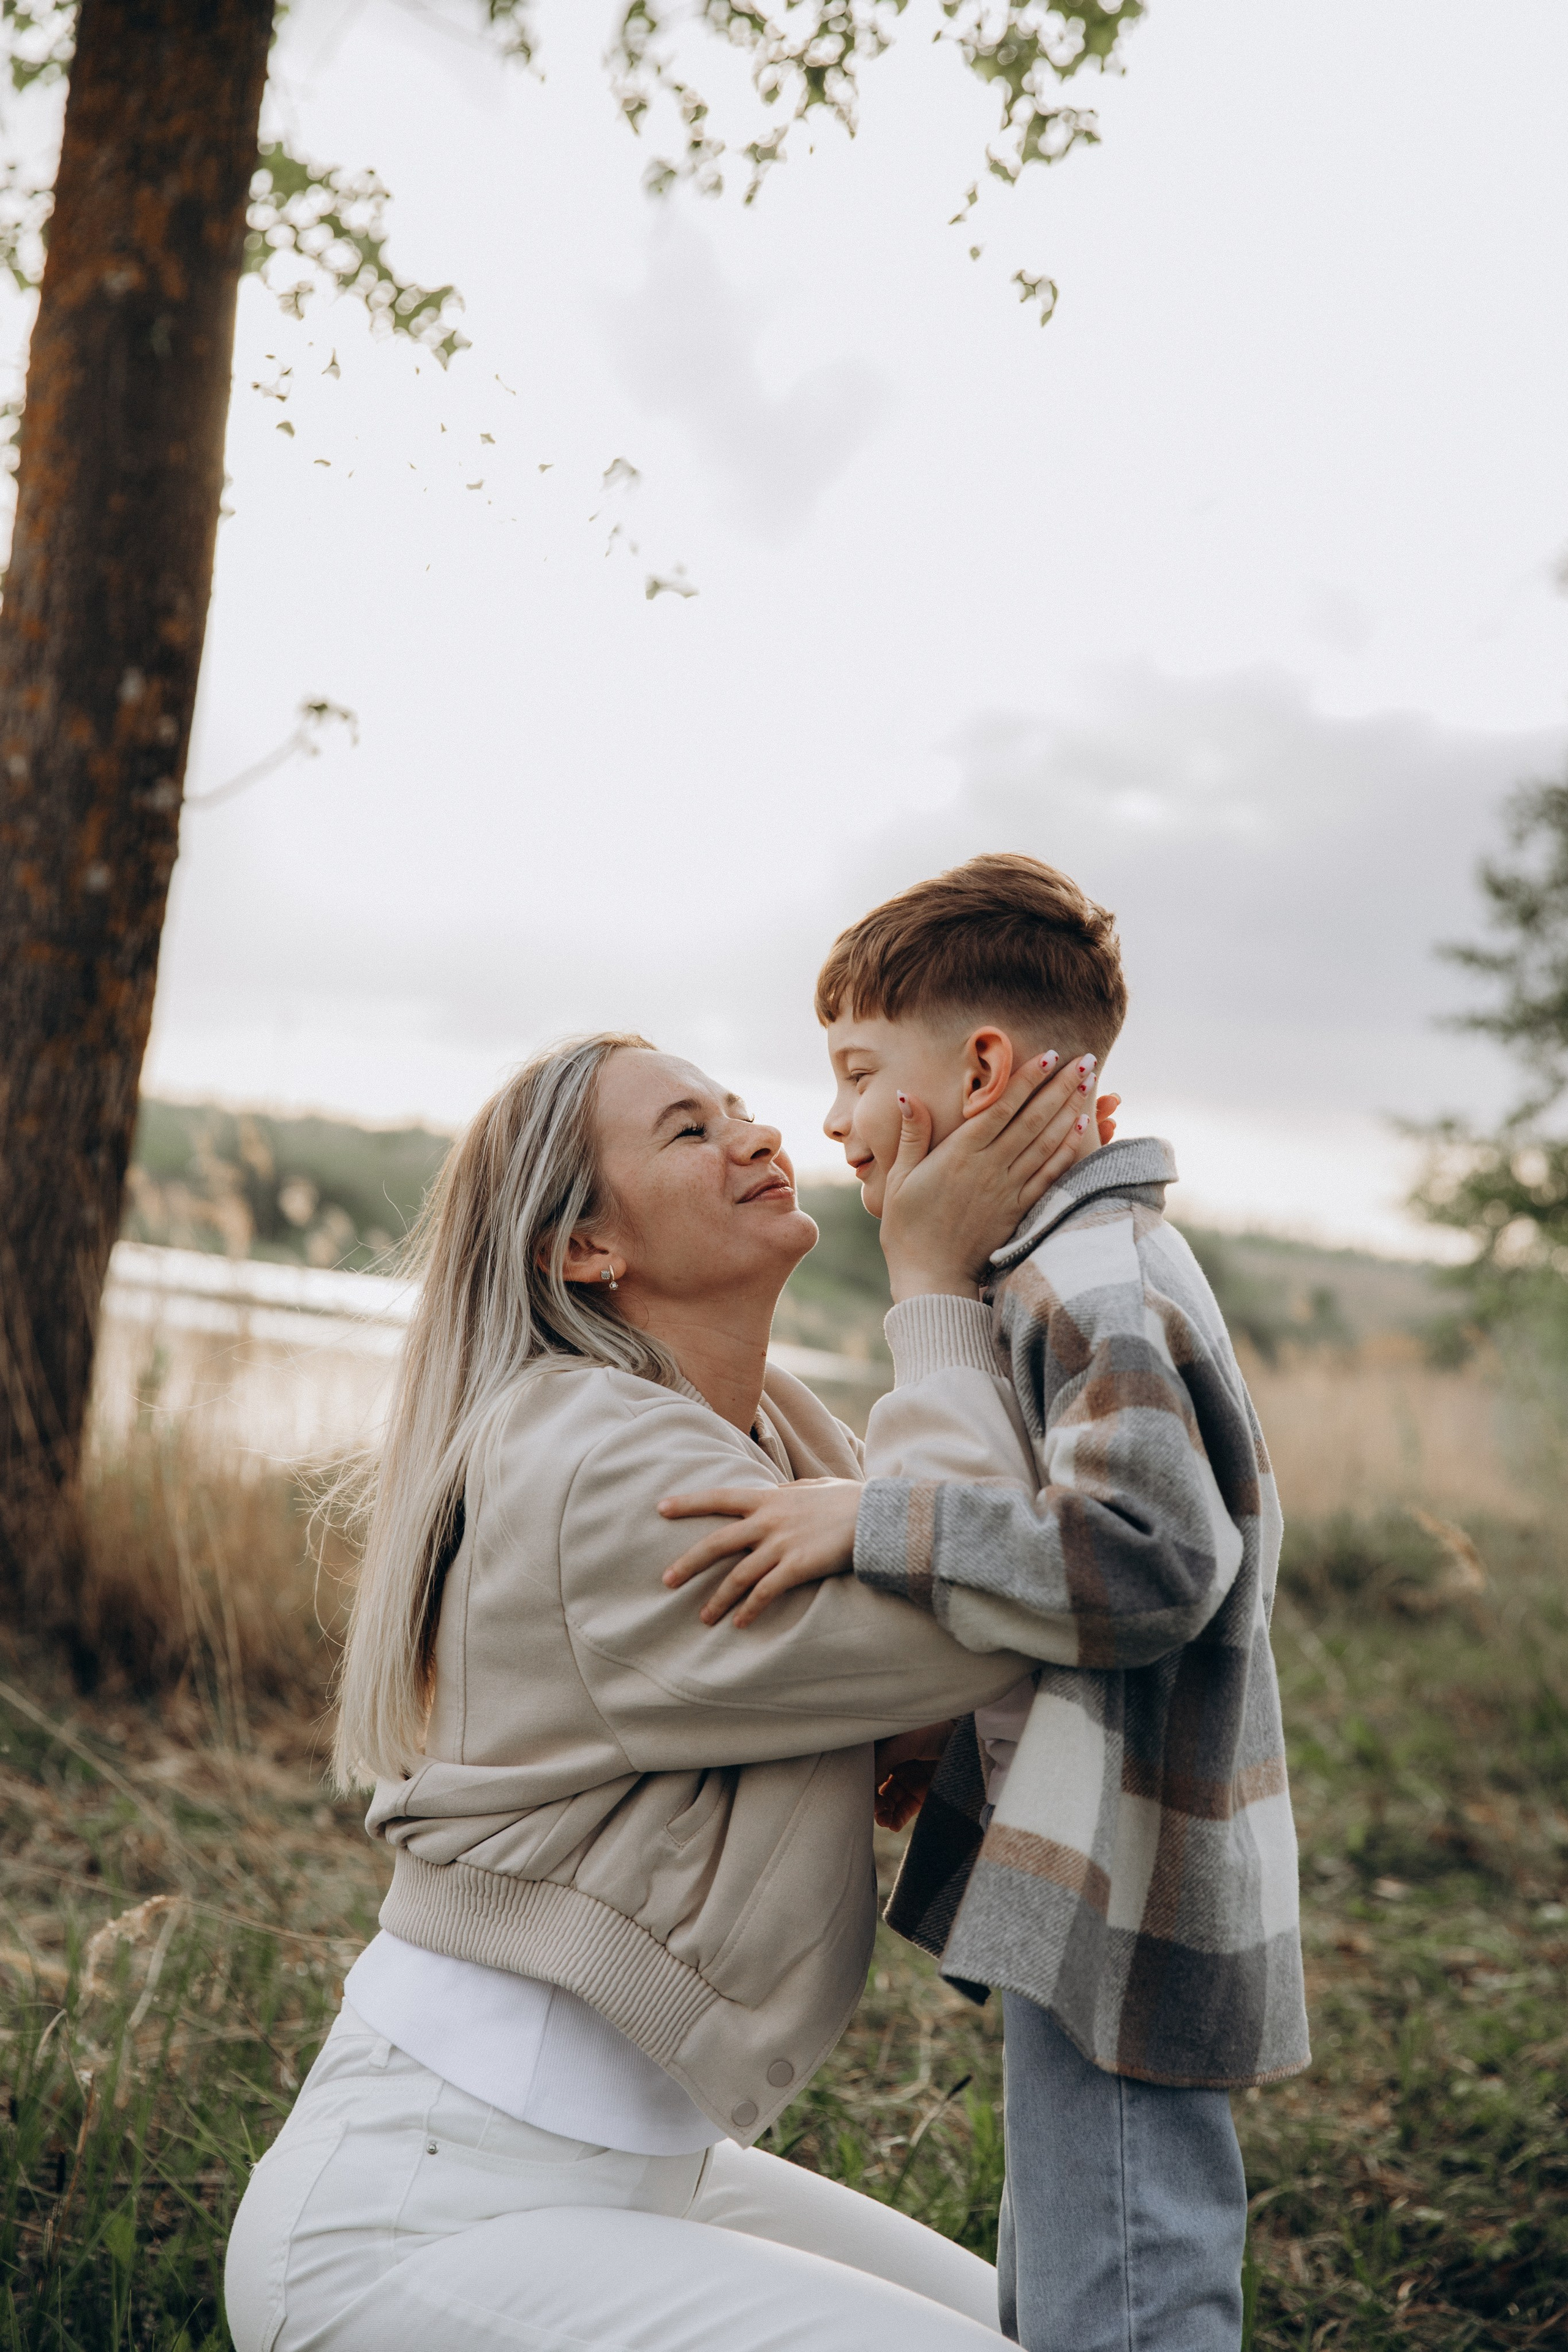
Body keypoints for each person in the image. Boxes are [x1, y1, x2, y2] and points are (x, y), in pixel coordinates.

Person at [225, 1026, 1105, 2352]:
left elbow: (996, 1564)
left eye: (744, 1109)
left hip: (628, 2173)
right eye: (689, 1130)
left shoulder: (776, 1434)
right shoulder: (590, 1459)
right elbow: (991, 1603)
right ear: (584, 1249)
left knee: (1049, 2333)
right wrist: (928, 1276)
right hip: (424, 2222)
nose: (758, 1136)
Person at [659, 854, 1311, 2352]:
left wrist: (868, 1517)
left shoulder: (1098, 1275)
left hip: (1134, 1864)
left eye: (853, 1070)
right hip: (1094, 1851)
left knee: (1126, 2294)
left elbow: (1145, 1559)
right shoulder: (1058, 1266)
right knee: (1067, 2266)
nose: (824, 1120)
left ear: (979, 1068)